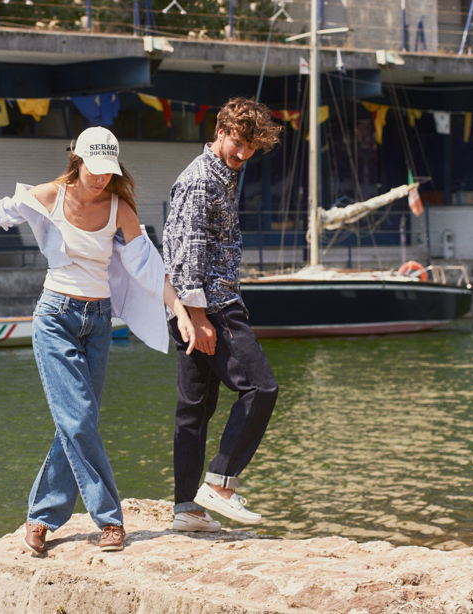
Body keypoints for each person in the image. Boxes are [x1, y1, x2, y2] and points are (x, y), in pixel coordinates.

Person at [0, 126, 195, 554]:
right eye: (94, 169)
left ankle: (41, 516)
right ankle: (109, 519)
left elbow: (149, 266)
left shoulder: (120, 209)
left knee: (78, 423)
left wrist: (180, 310)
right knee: (79, 421)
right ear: (77, 160)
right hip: (56, 319)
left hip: (98, 324)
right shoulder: (47, 196)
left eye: (108, 171)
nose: (101, 178)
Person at [163, 97, 282, 532]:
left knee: (194, 410)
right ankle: (221, 483)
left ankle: (186, 509)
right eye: (238, 142)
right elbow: (189, 250)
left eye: (252, 147)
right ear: (220, 131)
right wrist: (197, 317)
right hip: (212, 305)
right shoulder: (201, 180)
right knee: (261, 388)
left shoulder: (220, 174)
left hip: (198, 306)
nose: (244, 153)